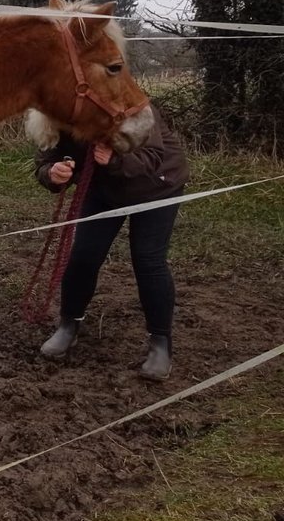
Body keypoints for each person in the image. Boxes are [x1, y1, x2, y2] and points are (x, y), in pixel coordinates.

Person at [32, 105, 190, 381]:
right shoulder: (60, 113)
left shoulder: (131, 104)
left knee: (148, 260)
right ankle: (69, 325)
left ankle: (160, 343)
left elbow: (152, 156)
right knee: (83, 256)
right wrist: (52, 173)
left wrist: (115, 161)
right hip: (103, 188)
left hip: (156, 185)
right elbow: (46, 158)